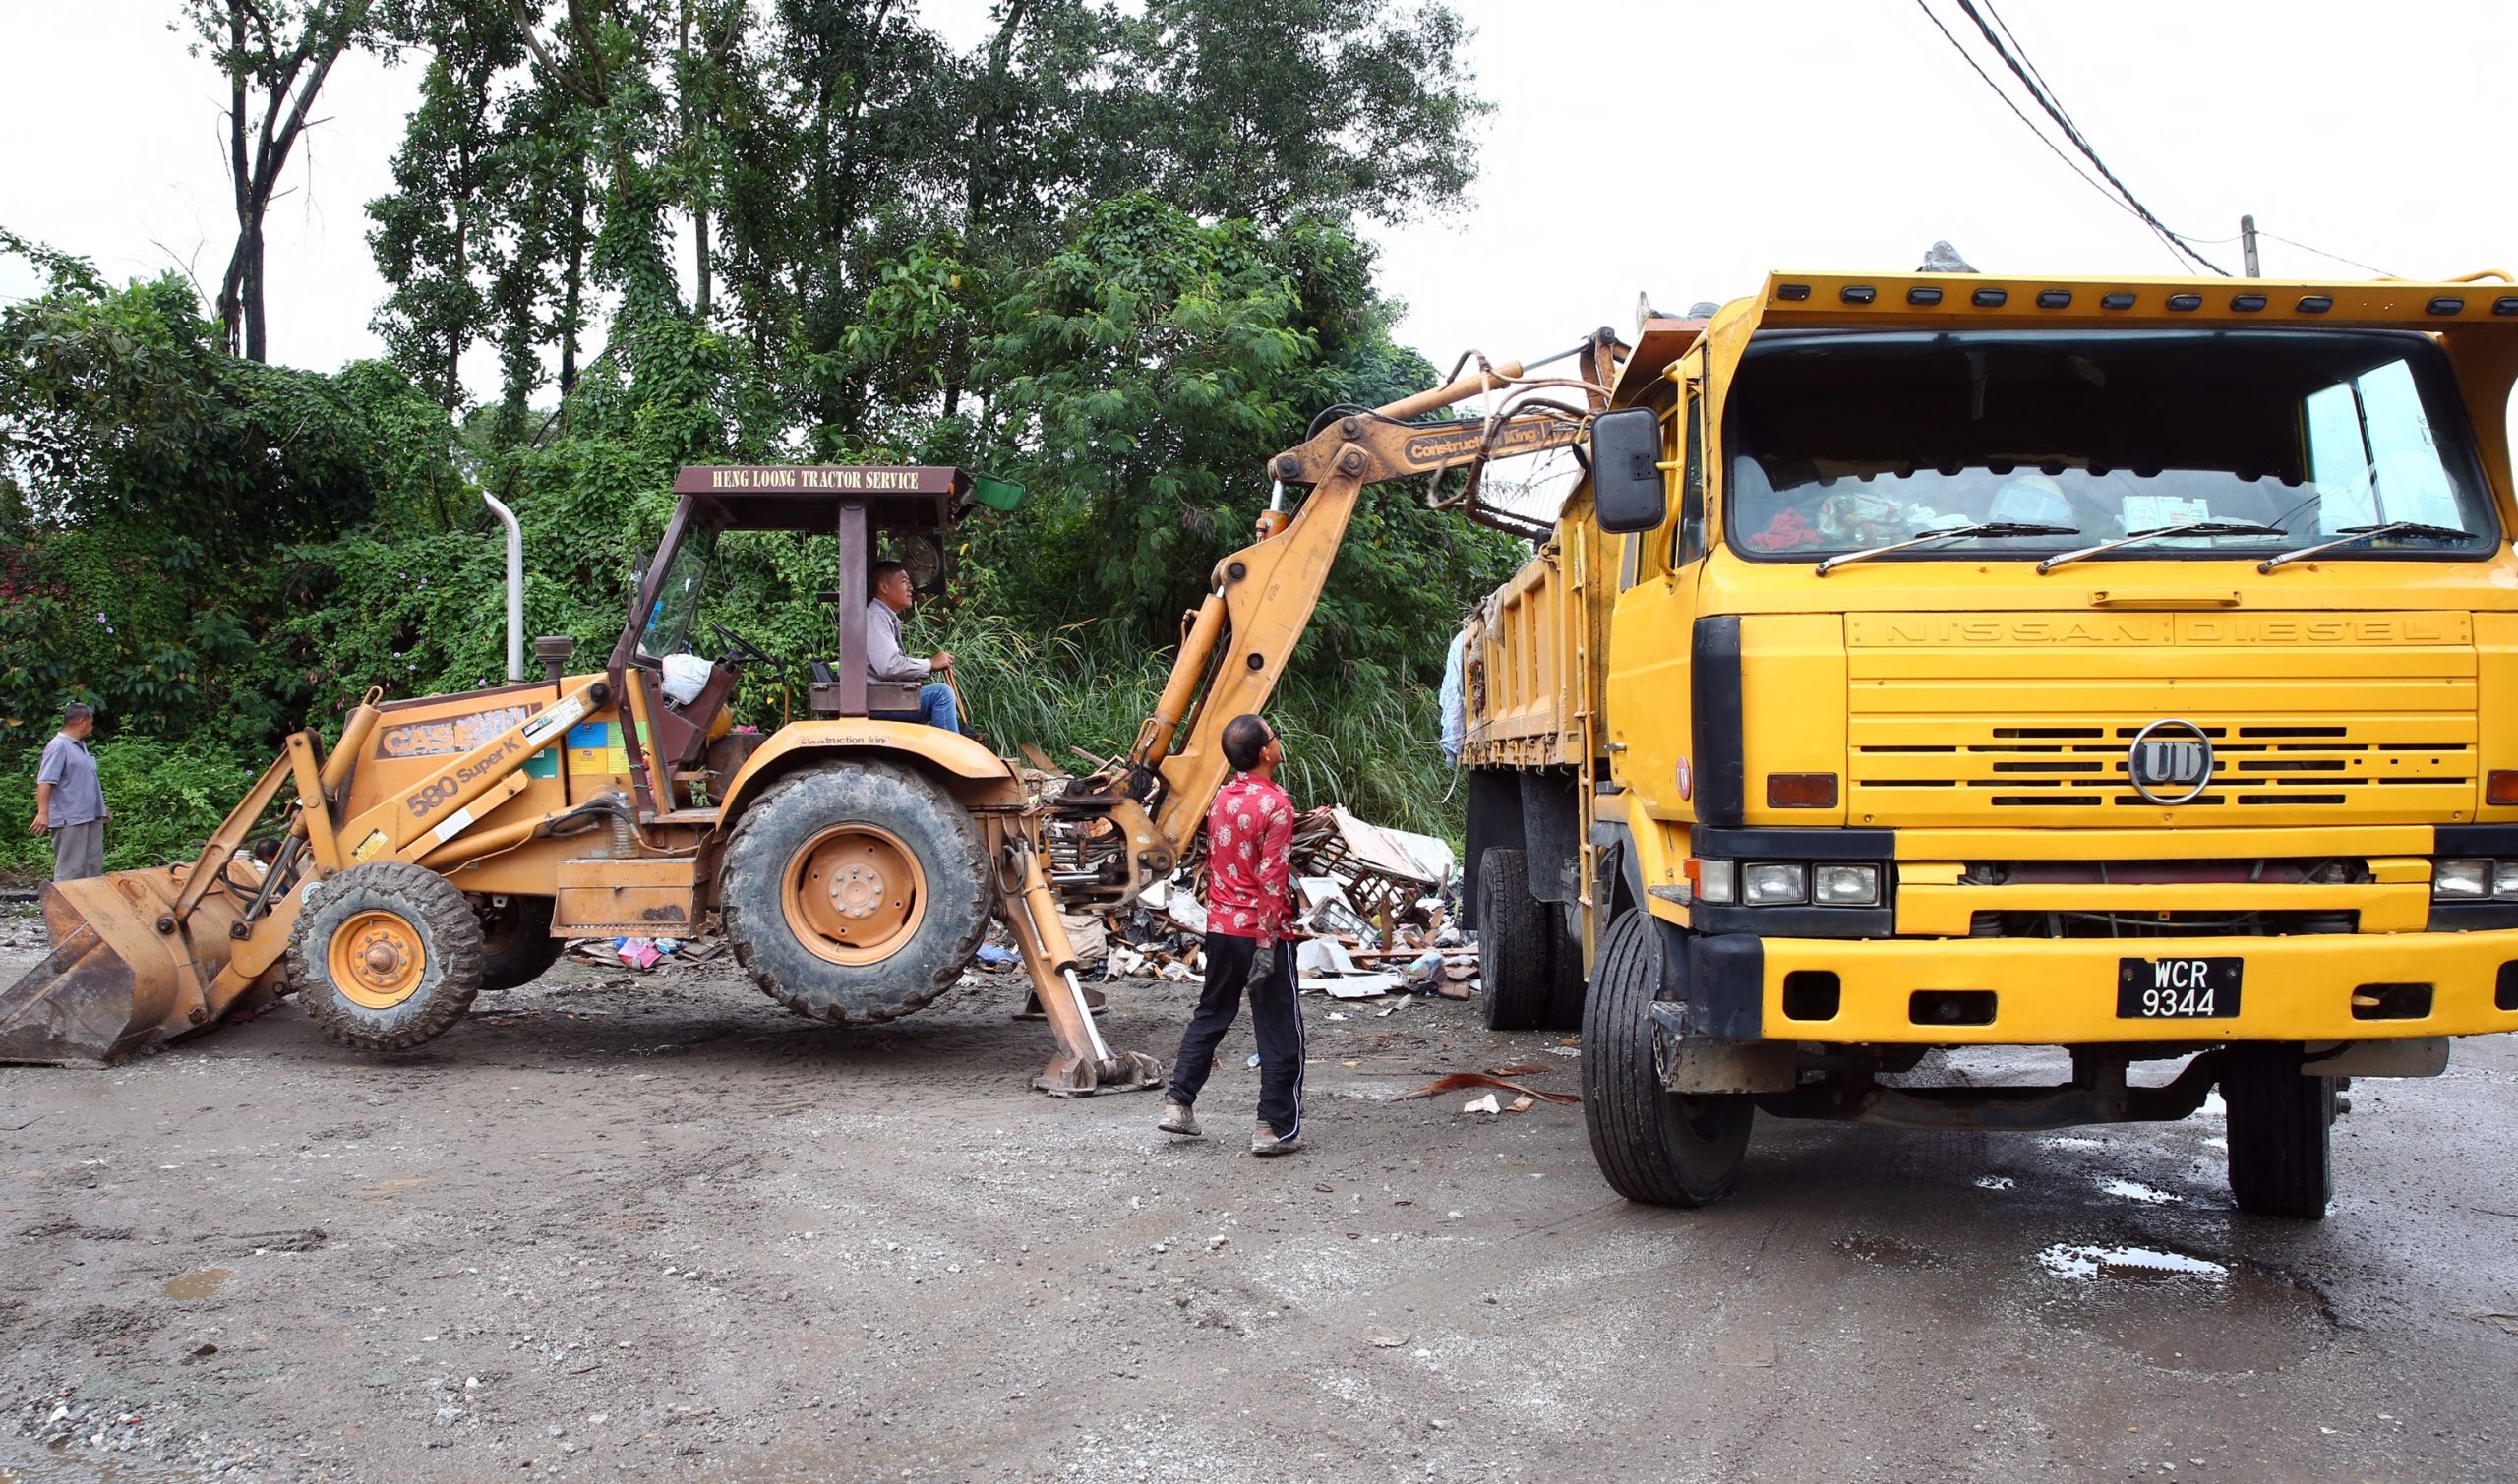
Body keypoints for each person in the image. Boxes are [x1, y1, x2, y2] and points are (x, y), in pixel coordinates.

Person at [1159, 713, 1306, 1157]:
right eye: (1275, 737)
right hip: (1263, 933)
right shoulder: (1276, 806)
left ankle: (1177, 1104)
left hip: (1221, 927)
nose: (1278, 742)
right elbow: (1272, 878)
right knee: (1279, 1028)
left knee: (1212, 1013)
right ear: (1264, 752)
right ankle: (1272, 1128)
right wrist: (1267, 941)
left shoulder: (1222, 798)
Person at [865, 560, 961, 732]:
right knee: (941, 694)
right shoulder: (876, 616)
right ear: (884, 587)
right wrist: (930, 663)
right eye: (904, 581)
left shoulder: (883, 615)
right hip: (876, 701)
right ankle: (949, 755)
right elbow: (889, 666)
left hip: (882, 697)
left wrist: (927, 670)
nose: (910, 588)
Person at [30, 702, 107, 883]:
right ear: (82, 722)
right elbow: (45, 781)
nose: (92, 726)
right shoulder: (58, 746)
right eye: (91, 722)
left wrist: (101, 808)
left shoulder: (80, 746)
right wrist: (43, 813)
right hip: (70, 818)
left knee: (92, 868)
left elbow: (84, 781)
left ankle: (89, 909)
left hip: (90, 816)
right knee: (71, 870)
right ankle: (64, 908)